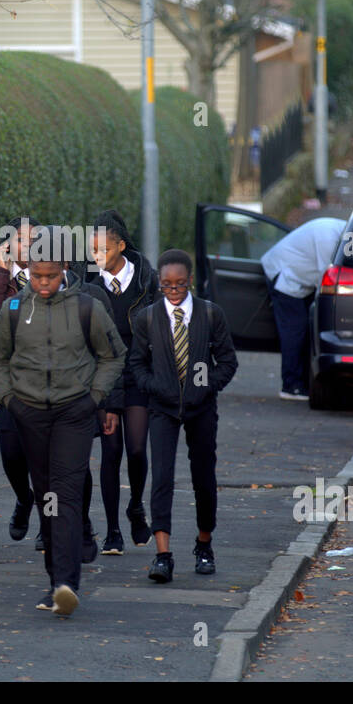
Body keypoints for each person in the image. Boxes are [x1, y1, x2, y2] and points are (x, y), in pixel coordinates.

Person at [0, 226, 125, 616]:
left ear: (64, 267)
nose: (43, 283)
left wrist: (95, 397)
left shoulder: (87, 307)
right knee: (45, 494)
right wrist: (9, 398)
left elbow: (114, 355)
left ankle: (66, 583)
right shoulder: (13, 311)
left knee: (64, 493)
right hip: (28, 413)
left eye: (50, 275)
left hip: (73, 413)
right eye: (36, 274)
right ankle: (54, 580)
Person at [0, 218, 100, 562]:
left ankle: (61, 527)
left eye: (34, 241)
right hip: (10, 385)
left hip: (60, 387)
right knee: (14, 456)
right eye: (20, 242)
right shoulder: (2, 278)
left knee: (67, 465)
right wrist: (2, 272)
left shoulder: (62, 281)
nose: (27, 248)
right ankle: (25, 499)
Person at [127, 249, 237, 583]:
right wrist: (154, 386)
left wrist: (206, 387)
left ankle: (204, 545)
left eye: (179, 284)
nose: (173, 291)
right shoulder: (147, 318)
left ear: (190, 281)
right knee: (161, 477)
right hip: (162, 407)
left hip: (201, 408)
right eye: (166, 285)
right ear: (159, 283)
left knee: (203, 477)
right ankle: (163, 555)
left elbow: (227, 361)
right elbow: (136, 363)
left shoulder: (209, 314)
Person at [87, 210, 158, 555]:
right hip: (104, 378)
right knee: (110, 451)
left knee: (137, 449)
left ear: (121, 246)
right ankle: (113, 530)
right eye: (92, 248)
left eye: (103, 248)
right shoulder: (87, 285)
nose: (96, 255)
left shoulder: (148, 281)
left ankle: (136, 507)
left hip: (139, 377)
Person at [259, 217, 347, 400]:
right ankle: (291, 386)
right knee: (295, 330)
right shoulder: (328, 238)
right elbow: (328, 277)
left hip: (296, 277)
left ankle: (303, 383)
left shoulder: (339, 231)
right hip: (285, 276)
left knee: (303, 331)